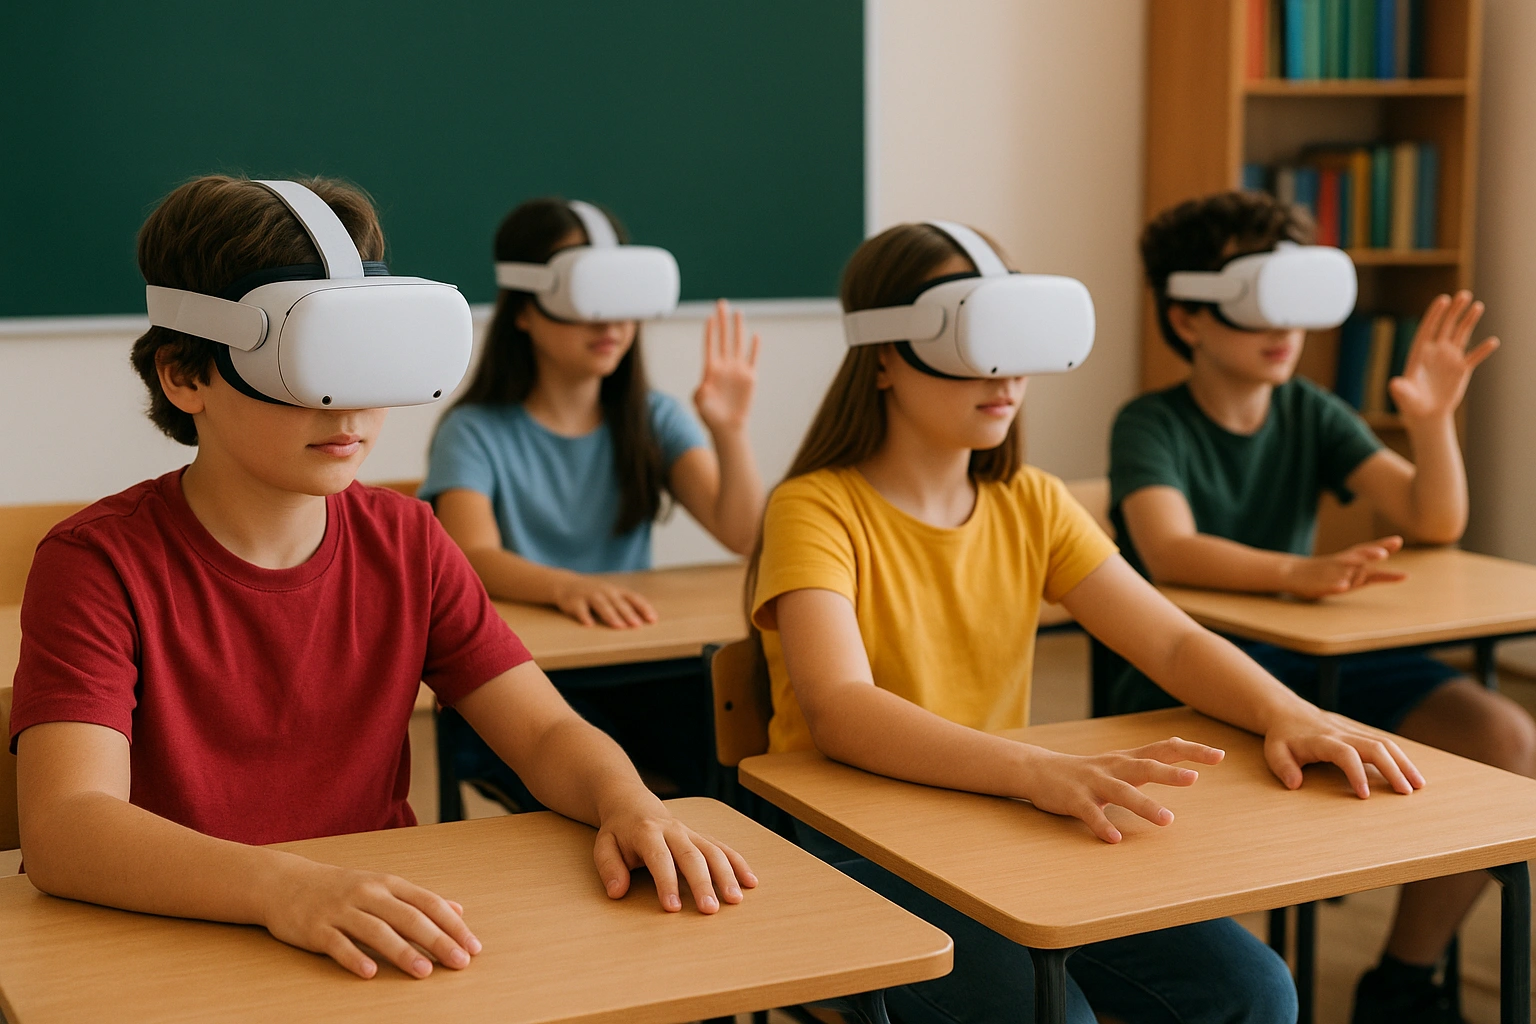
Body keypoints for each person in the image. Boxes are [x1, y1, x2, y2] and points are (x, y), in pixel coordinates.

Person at [10, 175, 753, 983]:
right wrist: (284, 887)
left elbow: (541, 732)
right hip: (174, 942)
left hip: (371, 939)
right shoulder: (96, 563)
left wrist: (627, 800)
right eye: (310, 365)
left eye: (369, 358)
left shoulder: (408, 540)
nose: (350, 407)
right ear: (186, 376)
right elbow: (67, 828)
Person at [749, 219, 1423, 1023]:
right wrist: (1036, 772)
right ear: (886, 355)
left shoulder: (1031, 501)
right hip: (851, 851)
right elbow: (838, 708)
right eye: (973, 343)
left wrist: (1291, 713)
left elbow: (1169, 638)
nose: (1005, 377)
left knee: (1251, 991)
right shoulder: (814, 509)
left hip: (993, 825)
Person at [1105, 189, 1536, 1023]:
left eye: (1298, 302)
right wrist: (1293, 574)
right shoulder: (1150, 422)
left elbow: (1433, 518)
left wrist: (1435, 422)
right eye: (1258, 301)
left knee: (1504, 738)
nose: (1284, 328)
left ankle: (1402, 980)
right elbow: (1169, 548)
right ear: (1188, 315)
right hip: (1195, 674)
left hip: (1318, 661)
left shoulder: (1311, 409)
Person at [422, 198, 765, 805]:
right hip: (534, 680)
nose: (610, 323)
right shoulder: (474, 430)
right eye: (586, 300)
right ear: (524, 311)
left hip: (641, 668)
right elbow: (470, 551)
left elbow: (741, 533)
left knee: (731, 759)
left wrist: (728, 430)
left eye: (622, 300)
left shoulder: (651, 418)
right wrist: (566, 586)